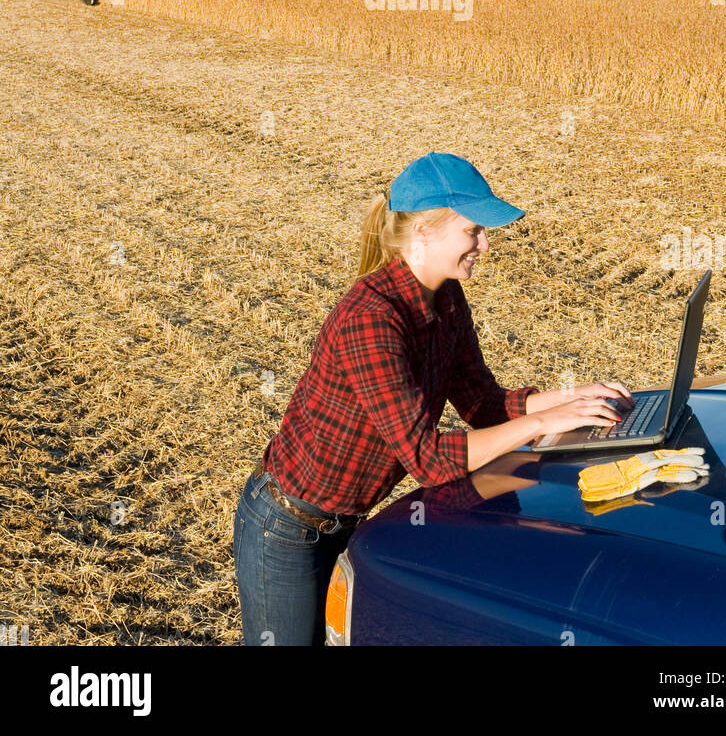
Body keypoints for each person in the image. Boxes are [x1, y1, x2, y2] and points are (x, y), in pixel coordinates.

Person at [233, 151, 634, 646]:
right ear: (424, 230)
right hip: (288, 527)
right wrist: (539, 423)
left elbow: (483, 403)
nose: (485, 246)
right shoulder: (372, 316)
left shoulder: (446, 298)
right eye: (473, 231)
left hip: (346, 521)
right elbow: (427, 459)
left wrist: (570, 398)